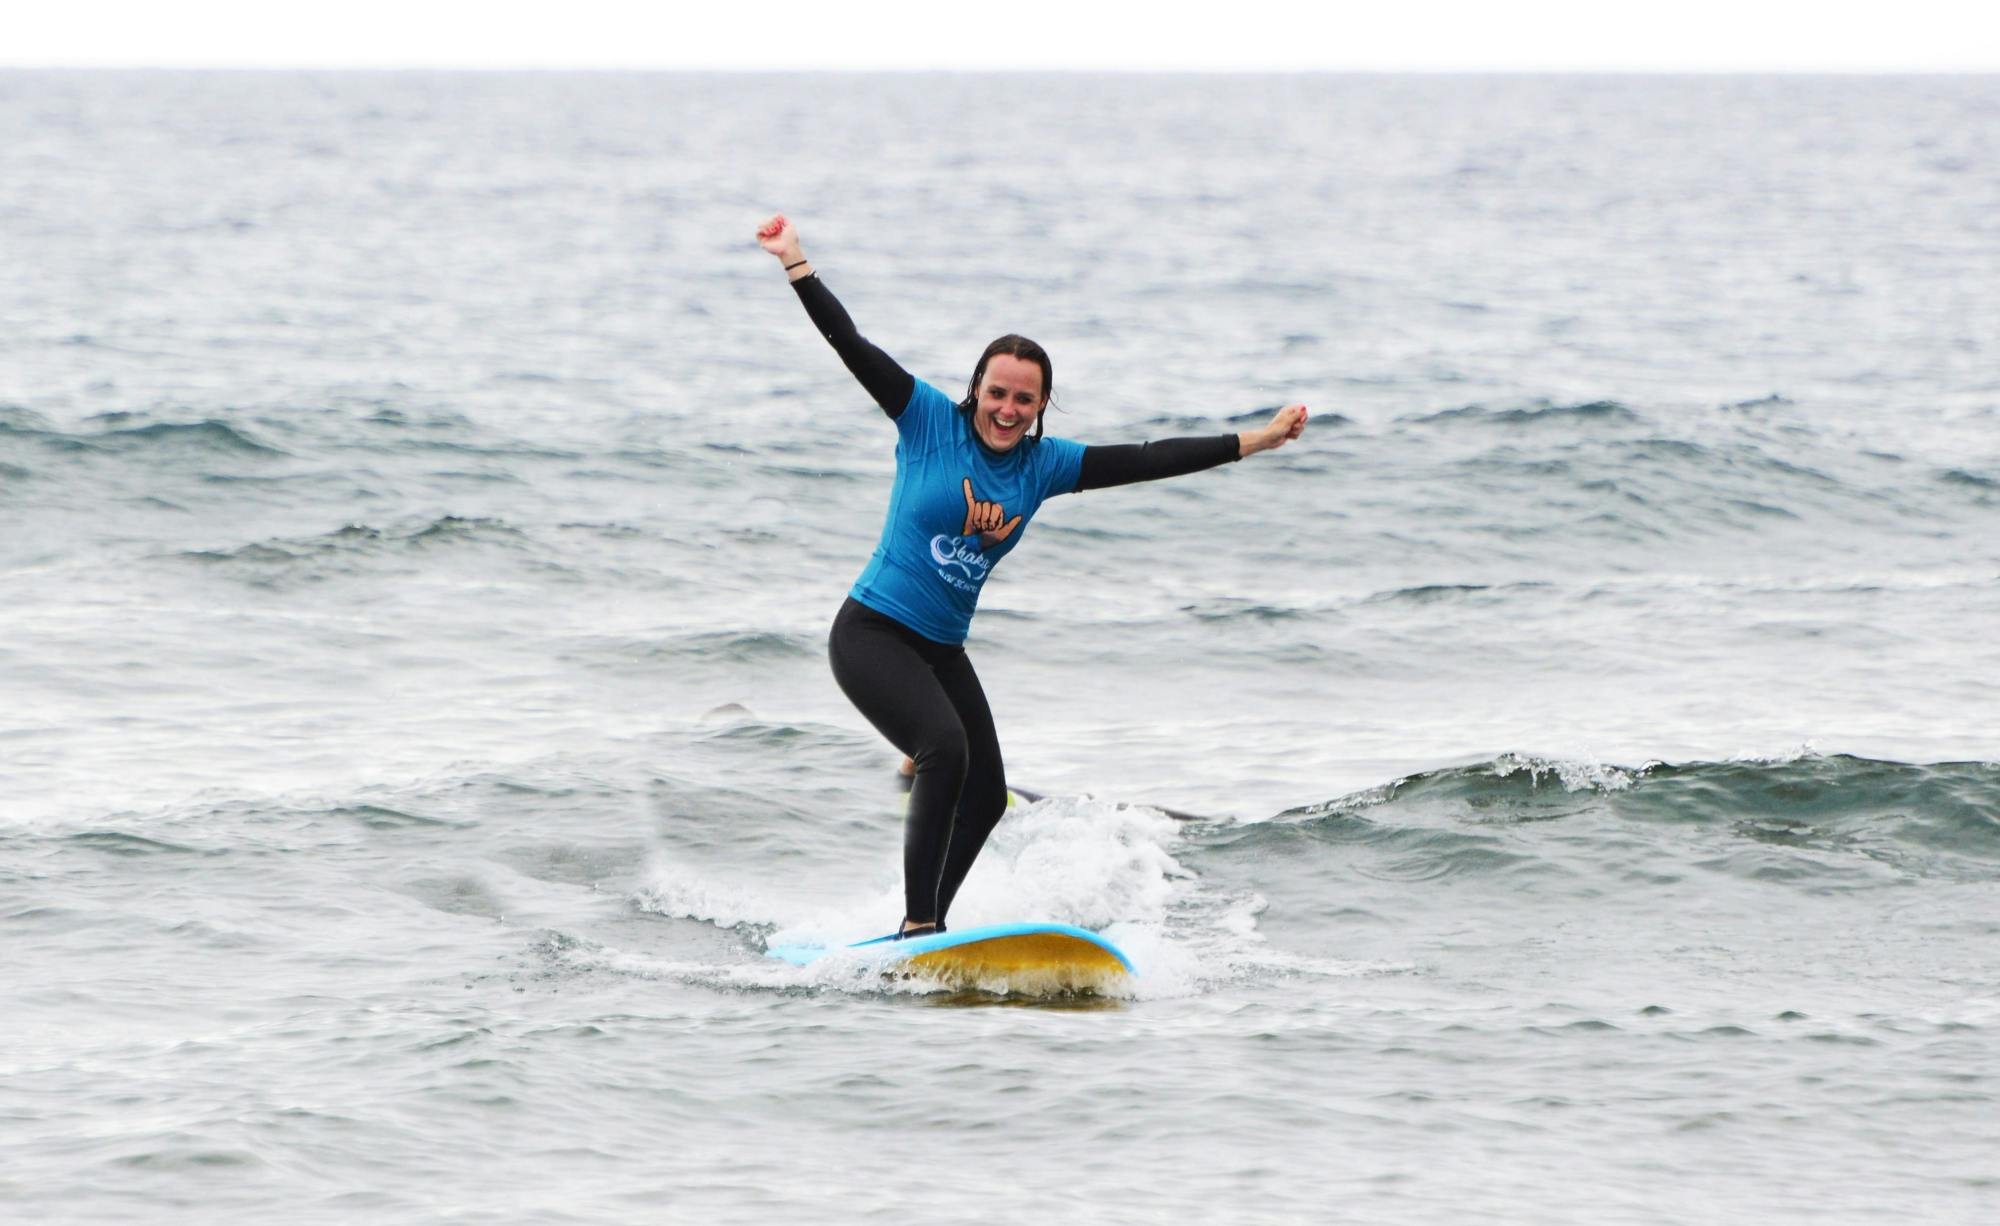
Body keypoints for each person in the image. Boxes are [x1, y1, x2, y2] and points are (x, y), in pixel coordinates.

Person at [756, 213, 1307, 939]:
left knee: (985, 796)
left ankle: (924, 926)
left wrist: (1257, 441)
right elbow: (850, 345)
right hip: (872, 633)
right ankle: (919, 924)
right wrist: (797, 263)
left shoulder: (1046, 466)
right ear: (975, 389)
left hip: (941, 649)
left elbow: (1147, 458)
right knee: (942, 751)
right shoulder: (924, 420)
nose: (1008, 410)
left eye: (1025, 399)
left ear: (1041, 404)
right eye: (997, 393)